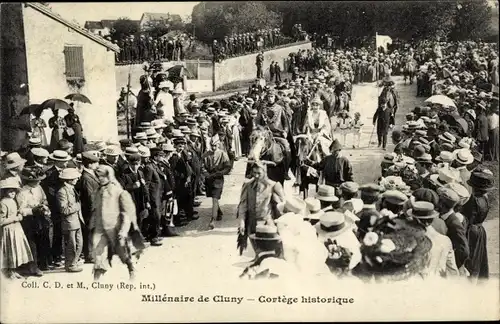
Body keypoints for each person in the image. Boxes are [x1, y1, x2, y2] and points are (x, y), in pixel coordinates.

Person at [91, 165, 144, 281]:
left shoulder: (119, 192)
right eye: (97, 177)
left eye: (102, 176)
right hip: (100, 229)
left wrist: (124, 230)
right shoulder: (98, 191)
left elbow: (126, 213)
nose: (99, 179)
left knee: (123, 253)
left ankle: (132, 270)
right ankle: (96, 280)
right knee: (98, 253)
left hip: (116, 228)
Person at [237, 161, 285, 254]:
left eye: (259, 173)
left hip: (267, 224)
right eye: (254, 173)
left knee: (269, 252)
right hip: (252, 223)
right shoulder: (248, 185)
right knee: (256, 250)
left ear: (264, 172)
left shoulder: (273, 185)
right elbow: (243, 205)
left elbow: (282, 205)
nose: (256, 176)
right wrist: (242, 222)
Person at [407, 201, 459, 278]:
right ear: (432, 220)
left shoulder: (412, 241)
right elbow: (453, 270)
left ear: (415, 220)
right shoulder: (445, 240)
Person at [16, 167, 51, 275]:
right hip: (29, 219)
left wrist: (44, 205)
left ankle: (43, 263)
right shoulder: (22, 192)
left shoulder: (39, 187)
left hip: (41, 217)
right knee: (32, 243)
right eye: (37, 180)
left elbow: (44, 198)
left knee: (43, 240)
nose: (39, 181)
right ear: (30, 181)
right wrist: (33, 210)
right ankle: (33, 267)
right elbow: (21, 210)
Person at [461, 169, 494, 281]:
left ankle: (471, 279)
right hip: (480, 229)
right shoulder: (485, 199)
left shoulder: (473, 200)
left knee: (471, 257)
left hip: (471, 230)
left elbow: (468, 217)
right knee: (479, 256)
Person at [0, 178, 34, 279]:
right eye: (10, 191)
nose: (13, 193)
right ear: (4, 191)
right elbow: (1, 220)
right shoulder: (3, 203)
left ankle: (14, 270)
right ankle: (9, 271)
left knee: (16, 249)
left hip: (16, 229)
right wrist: (16, 218)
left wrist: (20, 213)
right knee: (9, 249)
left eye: (14, 190)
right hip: (8, 230)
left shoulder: (13, 201)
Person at [436, 187, 469, 275]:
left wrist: (454, 265)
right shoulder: (446, 218)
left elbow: (464, 250)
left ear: (442, 205)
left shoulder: (454, 223)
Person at [57, 168, 84, 273]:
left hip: (76, 221)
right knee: (71, 245)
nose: (77, 179)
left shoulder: (71, 189)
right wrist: (77, 206)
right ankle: (70, 265)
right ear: (69, 179)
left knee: (79, 243)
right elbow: (64, 210)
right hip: (69, 222)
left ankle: (74, 263)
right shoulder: (62, 192)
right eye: (75, 177)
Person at [202, 135, 232, 230]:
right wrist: (206, 174)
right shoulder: (206, 154)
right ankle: (218, 212)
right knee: (214, 197)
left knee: (215, 199)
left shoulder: (223, 154)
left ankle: (212, 220)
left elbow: (227, 167)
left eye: (215, 145)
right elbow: (202, 166)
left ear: (218, 144)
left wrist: (219, 173)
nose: (214, 147)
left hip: (218, 179)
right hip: (209, 180)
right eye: (212, 145)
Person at [77, 152, 100, 263]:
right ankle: (89, 255)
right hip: (91, 210)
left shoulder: (90, 175)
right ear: (89, 164)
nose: (97, 164)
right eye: (95, 163)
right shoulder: (86, 178)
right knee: (90, 232)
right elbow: (90, 196)